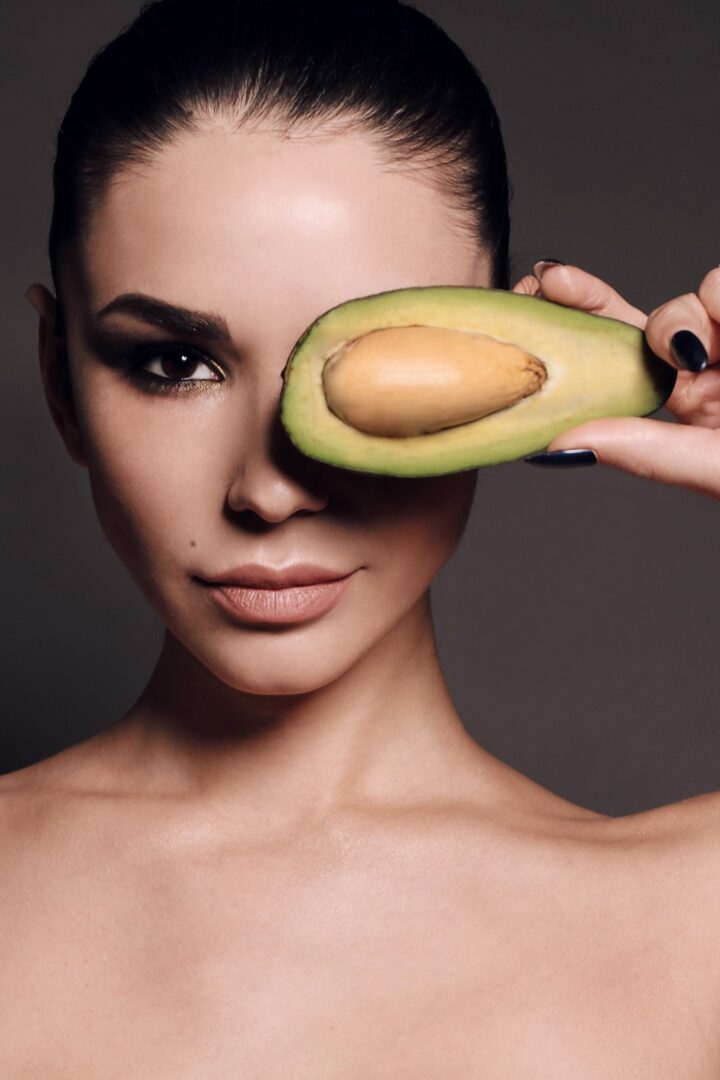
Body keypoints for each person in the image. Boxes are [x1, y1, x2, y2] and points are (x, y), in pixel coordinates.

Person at [4, 0, 720, 1072]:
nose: (267, 489)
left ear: (513, 371)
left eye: (372, 368)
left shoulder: (695, 918)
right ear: (60, 377)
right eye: (173, 364)